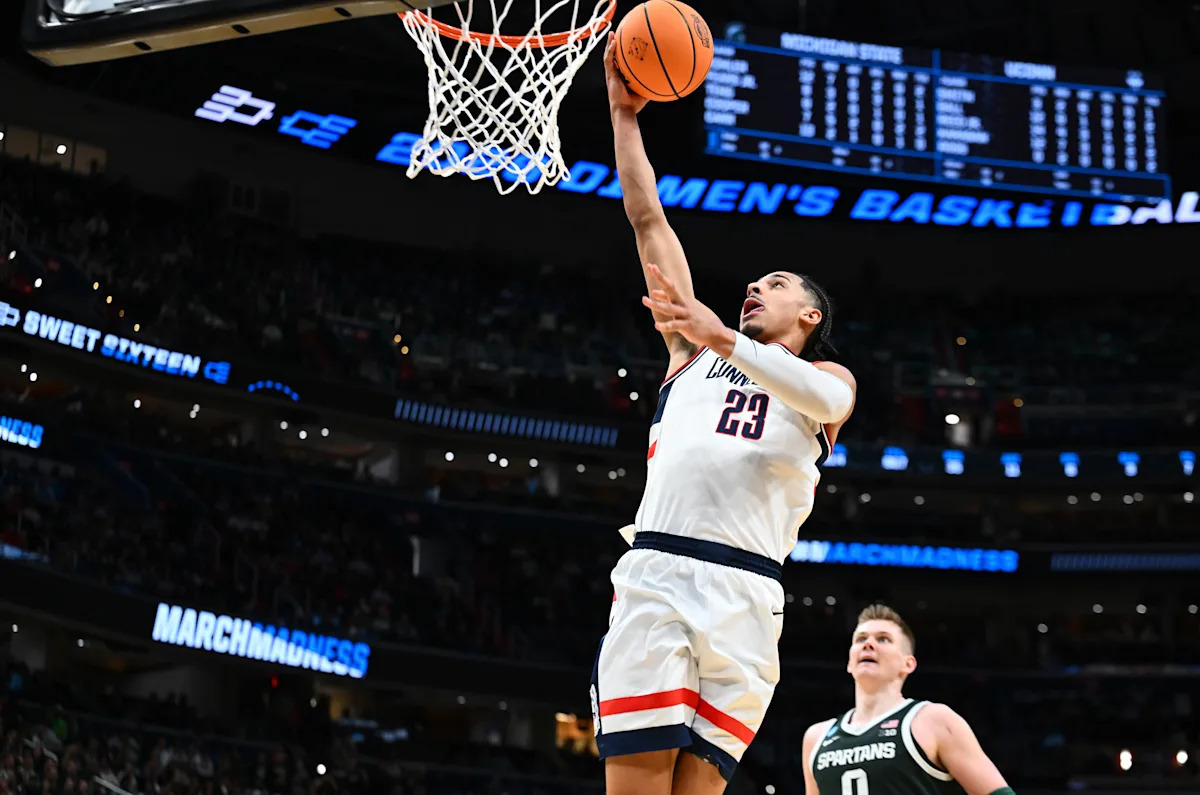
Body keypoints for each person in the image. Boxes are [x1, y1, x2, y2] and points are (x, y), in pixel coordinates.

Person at [590, 32, 858, 795]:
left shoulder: (824, 376)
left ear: (809, 314)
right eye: (751, 285)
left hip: (751, 595)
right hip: (662, 572)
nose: (754, 290)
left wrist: (726, 334)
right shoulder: (690, 349)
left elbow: (829, 399)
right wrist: (624, 114)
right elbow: (648, 222)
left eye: (774, 285)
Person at [801, 604, 1014, 795]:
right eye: (861, 639)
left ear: (908, 664)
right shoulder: (816, 738)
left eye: (883, 639)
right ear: (849, 662)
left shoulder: (933, 720)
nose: (868, 644)